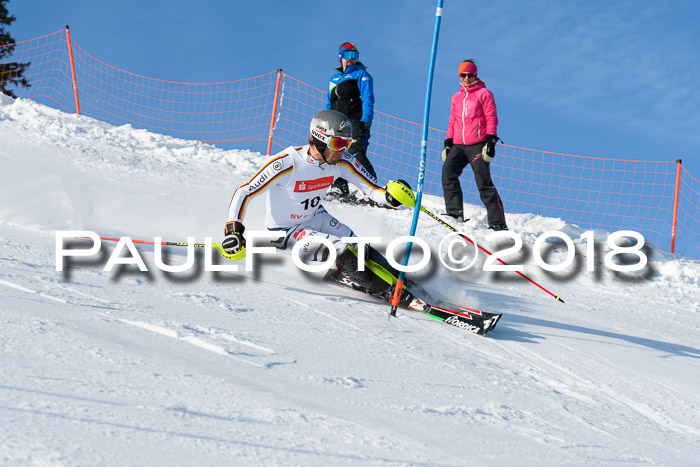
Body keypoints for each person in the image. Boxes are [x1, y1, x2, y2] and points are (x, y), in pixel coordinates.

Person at [222, 109, 415, 304]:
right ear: (320, 140)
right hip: (285, 232)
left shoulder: (342, 161)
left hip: (315, 217)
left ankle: (399, 278)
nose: (343, 151)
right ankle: (385, 289)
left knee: (356, 242)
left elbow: (373, 190)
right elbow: (245, 191)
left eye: (346, 144)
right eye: (338, 143)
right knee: (338, 248)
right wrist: (233, 231)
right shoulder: (286, 163)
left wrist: (391, 196)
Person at [441, 59, 507, 230]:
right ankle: (455, 213)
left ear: (475, 76)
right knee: (448, 173)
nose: (467, 78)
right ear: (459, 76)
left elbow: (491, 118)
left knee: (483, 182)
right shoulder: (456, 97)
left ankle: (497, 222)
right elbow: (452, 121)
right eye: (463, 75)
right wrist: (448, 142)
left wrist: (491, 140)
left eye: (470, 75)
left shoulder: (484, 94)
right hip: (458, 145)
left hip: (477, 144)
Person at [324, 42, 376, 200]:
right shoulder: (334, 79)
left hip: (355, 119)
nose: (352, 59)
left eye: (355, 55)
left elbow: (368, 97)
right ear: (341, 58)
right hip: (337, 123)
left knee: (355, 152)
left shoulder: (361, 74)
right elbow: (329, 102)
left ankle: (372, 189)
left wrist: (366, 119)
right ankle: (339, 187)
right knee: (334, 152)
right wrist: (325, 122)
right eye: (348, 56)